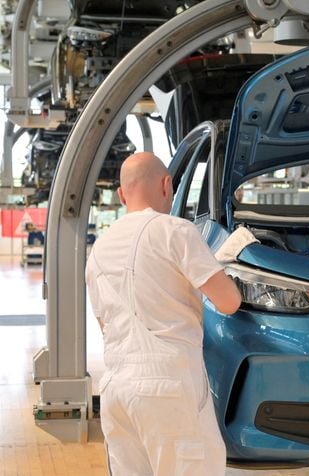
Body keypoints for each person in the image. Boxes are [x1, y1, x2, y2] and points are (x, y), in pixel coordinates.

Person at [85, 152, 248, 475]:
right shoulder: (175, 230)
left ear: (121, 195)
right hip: (169, 386)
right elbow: (229, 302)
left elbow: (105, 324)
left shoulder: (99, 249)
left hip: (116, 389)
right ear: (166, 185)